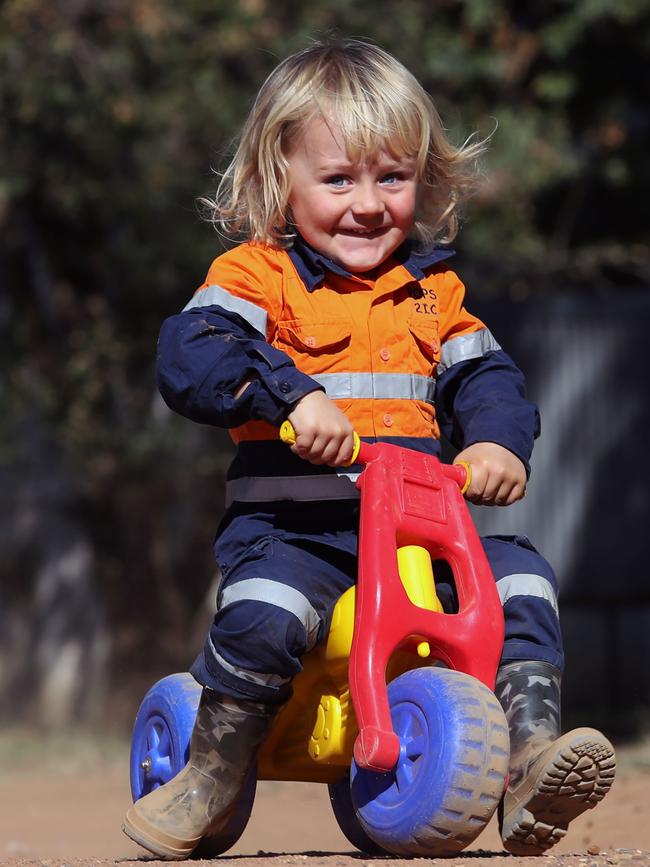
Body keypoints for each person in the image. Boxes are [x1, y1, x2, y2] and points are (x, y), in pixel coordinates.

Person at [122, 38, 615, 859]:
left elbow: (488, 376)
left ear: (424, 181)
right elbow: (193, 351)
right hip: (296, 534)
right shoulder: (255, 278)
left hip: (422, 538)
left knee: (521, 572)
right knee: (266, 611)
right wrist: (291, 396)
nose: (368, 202)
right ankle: (209, 772)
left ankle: (528, 751)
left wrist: (496, 442)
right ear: (280, 178)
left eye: (392, 177)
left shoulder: (436, 296)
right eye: (339, 178)